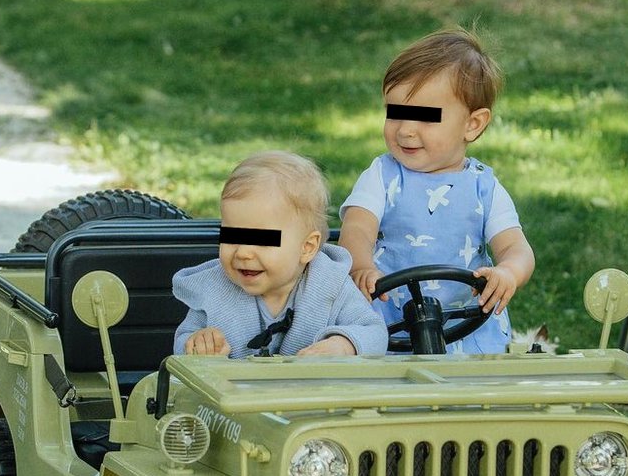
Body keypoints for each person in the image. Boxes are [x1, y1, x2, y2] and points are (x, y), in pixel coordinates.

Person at [339, 27, 534, 354]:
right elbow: (357, 227)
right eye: (395, 113)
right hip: (389, 325)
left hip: (466, 327)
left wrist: (508, 272)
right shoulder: (383, 175)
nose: (405, 130)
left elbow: (516, 246)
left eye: (425, 118)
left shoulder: (483, 187)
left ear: (472, 124)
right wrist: (360, 266)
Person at [173, 151, 388, 358]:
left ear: (307, 247)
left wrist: (344, 344)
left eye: (262, 240)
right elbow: (182, 342)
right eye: (232, 236)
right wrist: (197, 343)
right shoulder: (214, 288)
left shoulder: (330, 283)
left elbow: (375, 332)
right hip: (235, 394)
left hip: (312, 393)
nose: (243, 252)